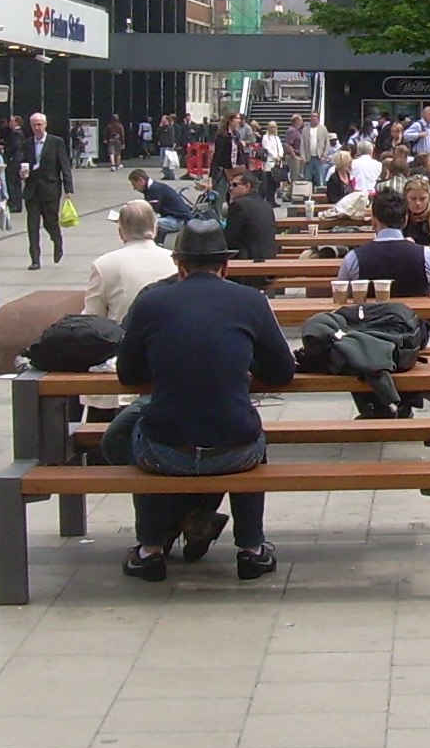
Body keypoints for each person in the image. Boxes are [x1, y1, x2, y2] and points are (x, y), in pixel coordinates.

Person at [107, 218, 293, 582]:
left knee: (132, 430)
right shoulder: (250, 300)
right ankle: (251, 549)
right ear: (225, 266)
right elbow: (283, 371)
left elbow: (127, 374)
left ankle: (151, 547)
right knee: (251, 436)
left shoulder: (151, 301)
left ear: (179, 266)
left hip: (165, 451)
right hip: (235, 449)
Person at [84, 200, 180, 323]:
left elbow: (92, 316)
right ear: (155, 228)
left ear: (120, 232)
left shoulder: (103, 265)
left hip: (123, 337)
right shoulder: (176, 261)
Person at [339, 187, 430, 296]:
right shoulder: (427, 256)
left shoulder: (353, 258)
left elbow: (343, 292)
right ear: (405, 219)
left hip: (369, 312)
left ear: (374, 221)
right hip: (413, 313)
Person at [20, 111, 73, 270]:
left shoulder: (56, 142)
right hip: (32, 190)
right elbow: (22, 162)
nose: (37, 128)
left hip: (50, 188)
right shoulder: (27, 144)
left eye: (39, 124)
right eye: (34, 125)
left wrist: (68, 188)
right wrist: (22, 173)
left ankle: (57, 241)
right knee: (32, 225)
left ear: (45, 125)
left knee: (51, 221)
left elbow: (64, 165)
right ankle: (35, 259)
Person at [223, 168, 280, 262]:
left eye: (235, 185)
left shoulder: (238, 205)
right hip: (269, 259)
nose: (230, 188)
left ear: (247, 187)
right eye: (230, 185)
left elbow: (230, 240)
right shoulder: (266, 204)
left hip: (249, 262)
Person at [128, 168, 198, 238]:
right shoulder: (153, 188)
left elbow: (150, 211)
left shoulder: (154, 190)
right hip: (176, 218)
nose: (134, 188)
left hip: (179, 220)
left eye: (134, 184)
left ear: (141, 180)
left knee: (146, 224)